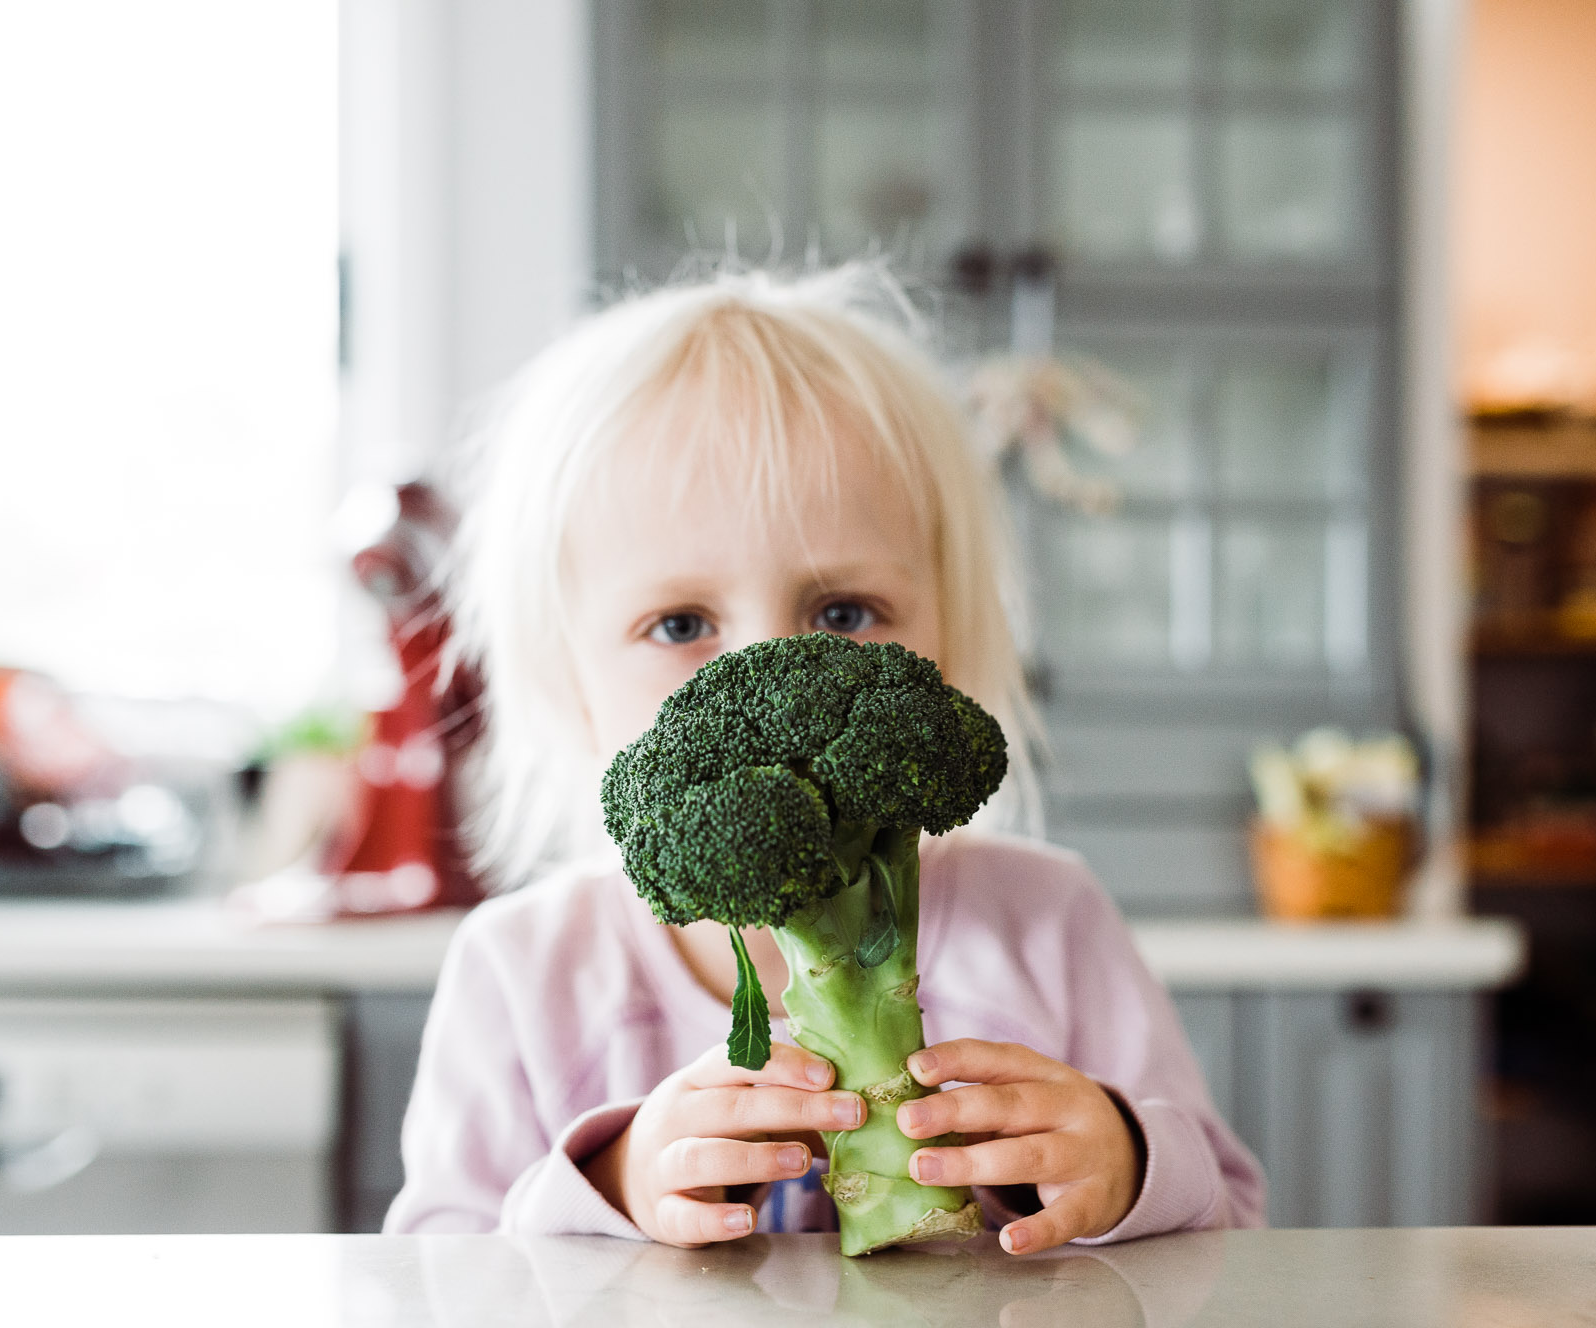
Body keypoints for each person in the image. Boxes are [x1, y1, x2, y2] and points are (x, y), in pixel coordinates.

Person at [384, 265, 1266, 1254]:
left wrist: (1123, 1160)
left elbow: (1231, 1217)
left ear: (950, 636)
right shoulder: (523, 970)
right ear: (566, 676)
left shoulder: (1048, 923)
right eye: (680, 622)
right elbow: (437, 1268)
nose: (771, 671)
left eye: (842, 613)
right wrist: (610, 1181)